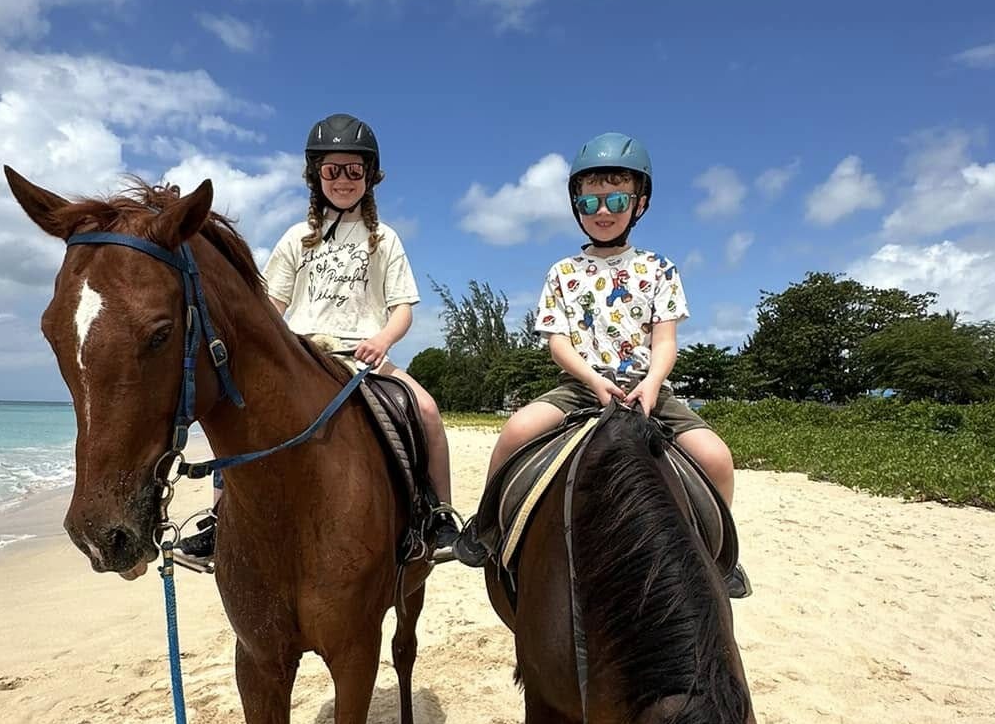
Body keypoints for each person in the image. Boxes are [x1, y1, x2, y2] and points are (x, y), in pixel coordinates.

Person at [454, 132, 748, 593]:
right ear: (577, 207)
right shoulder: (563, 272)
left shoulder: (660, 269)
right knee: (515, 431)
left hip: (647, 387)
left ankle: (719, 558)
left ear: (639, 203)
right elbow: (559, 343)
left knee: (716, 458)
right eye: (590, 203)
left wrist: (652, 383)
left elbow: (665, 341)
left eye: (616, 200)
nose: (603, 212)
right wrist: (592, 379)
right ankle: (486, 525)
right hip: (580, 386)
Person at [178, 114, 459, 566]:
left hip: (364, 355)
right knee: (239, 413)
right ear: (317, 176)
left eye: (353, 170)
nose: (343, 180)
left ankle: (439, 512)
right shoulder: (297, 238)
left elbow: (403, 308)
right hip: (302, 353)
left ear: (369, 176)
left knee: (425, 409)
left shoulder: (384, 239)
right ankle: (221, 517)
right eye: (332, 170)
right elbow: (271, 305)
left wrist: (383, 340)